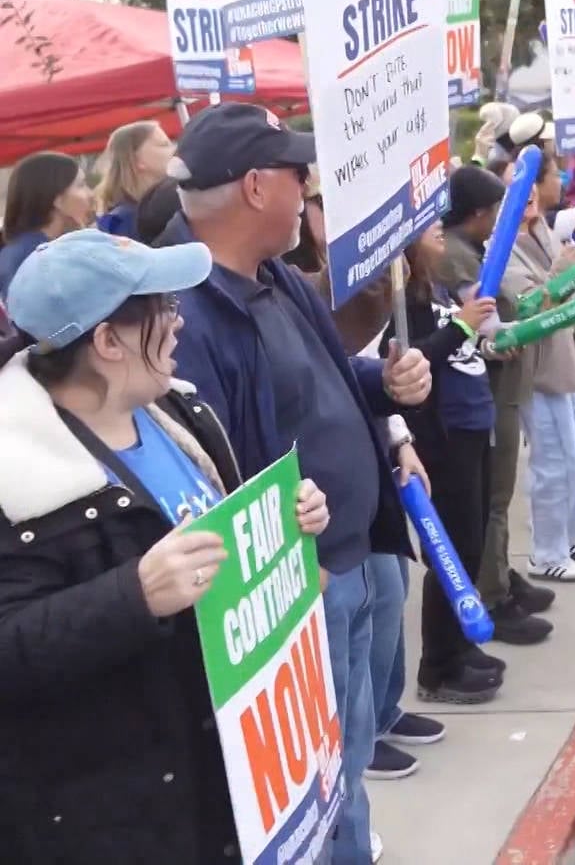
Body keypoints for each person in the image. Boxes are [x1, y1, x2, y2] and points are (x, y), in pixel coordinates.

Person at [155, 103, 431, 865]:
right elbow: (211, 471)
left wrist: (383, 386)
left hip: (353, 552)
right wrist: (284, 564)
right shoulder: (184, 310)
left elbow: (322, 383)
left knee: (349, 757)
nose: (306, 186)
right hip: (301, 581)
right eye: (295, 173)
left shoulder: (275, 276)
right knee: (319, 780)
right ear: (254, 187)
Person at [0, 229, 328, 862]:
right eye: (163, 307)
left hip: (221, 778)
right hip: (121, 816)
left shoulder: (178, 413)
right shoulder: (17, 476)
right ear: (107, 342)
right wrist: (135, 596)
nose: (179, 322)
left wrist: (286, 529)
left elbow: (221, 551)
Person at [387, 221, 506, 704]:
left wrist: (478, 328)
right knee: (451, 551)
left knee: (473, 545)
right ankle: (437, 668)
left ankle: (460, 644)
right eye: (428, 227)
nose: (439, 229)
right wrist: (461, 325)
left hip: (474, 423)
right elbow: (413, 359)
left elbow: (462, 348)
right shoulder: (402, 301)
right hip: (444, 434)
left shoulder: (433, 288)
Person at [437, 162, 554, 642]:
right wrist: (500, 336)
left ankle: (500, 573)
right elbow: (477, 322)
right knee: (494, 499)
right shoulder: (455, 256)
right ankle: (493, 593)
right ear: (477, 214)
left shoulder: (468, 250)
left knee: (495, 497)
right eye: (494, 212)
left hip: (499, 388)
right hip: (487, 390)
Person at [501, 141, 575, 583]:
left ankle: (567, 536)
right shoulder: (498, 249)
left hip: (567, 363)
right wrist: (574, 253)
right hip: (535, 371)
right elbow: (538, 300)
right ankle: (546, 554)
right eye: (514, 185)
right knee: (555, 464)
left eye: (529, 183)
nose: (526, 192)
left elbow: (572, 285)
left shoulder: (543, 229)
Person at [0, 151, 95, 297]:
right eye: (81, 185)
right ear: (57, 199)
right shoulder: (38, 259)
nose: (90, 194)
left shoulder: (26, 250)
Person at [94, 121, 176, 237]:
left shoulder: (164, 209)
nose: (175, 149)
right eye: (164, 144)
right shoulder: (123, 223)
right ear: (136, 159)